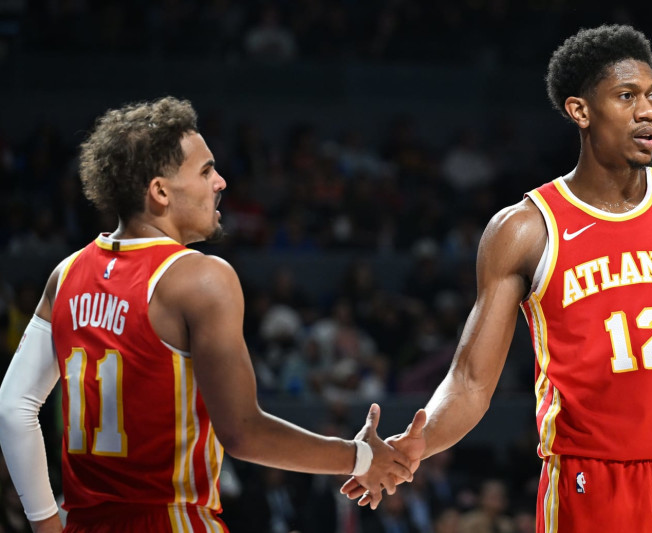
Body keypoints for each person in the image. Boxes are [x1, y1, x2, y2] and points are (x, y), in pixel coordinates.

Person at [342, 24, 652, 532]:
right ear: (580, 110)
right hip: (590, 485)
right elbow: (471, 382)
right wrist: (420, 440)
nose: (647, 111)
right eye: (626, 97)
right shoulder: (525, 229)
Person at [0, 96, 421, 533]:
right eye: (205, 171)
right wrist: (359, 457)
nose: (220, 182)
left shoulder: (64, 275)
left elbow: (14, 407)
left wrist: (45, 524)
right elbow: (242, 432)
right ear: (160, 191)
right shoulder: (200, 278)